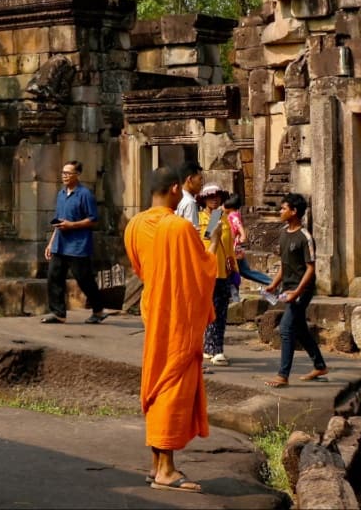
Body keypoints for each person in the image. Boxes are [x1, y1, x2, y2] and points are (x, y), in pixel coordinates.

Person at [124, 167, 217, 494]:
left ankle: (157, 464)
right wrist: (213, 246)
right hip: (177, 317)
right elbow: (202, 270)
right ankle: (165, 469)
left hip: (154, 312)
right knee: (172, 386)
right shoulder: (178, 227)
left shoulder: (134, 226)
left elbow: (143, 269)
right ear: (176, 189)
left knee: (158, 380)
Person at [263, 193, 328, 388]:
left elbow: (310, 268)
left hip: (302, 289)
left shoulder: (305, 237)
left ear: (294, 212)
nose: (280, 211)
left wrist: (297, 292)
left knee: (286, 328)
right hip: (288, 287)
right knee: (299, 329)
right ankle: (319, 365)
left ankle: (283, 375)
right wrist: (274, 284)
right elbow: (284, 265)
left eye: (284, 209)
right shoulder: (283, 233)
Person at [42, 160, 106, 325]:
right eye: (63, 172)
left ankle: (98, 310)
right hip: (60, 244)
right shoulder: (61, 194)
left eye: (68, 173)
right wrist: (50, 244)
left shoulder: (85, 194)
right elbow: (59, 221)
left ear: (77, 175)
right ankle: (58, 313)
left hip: (78, 245)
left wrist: (72, 225)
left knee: (84, 279)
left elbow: (93, 220)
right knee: (53, 277)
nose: (64, 176)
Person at [198, 184, 235, 366]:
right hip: (207, 271)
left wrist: (234, 269)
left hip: (223, 272)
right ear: (204, 199)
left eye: (217, 196)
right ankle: (215, 349)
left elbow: (229, 248)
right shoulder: (203, 218)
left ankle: (213, 347)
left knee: (220, 312)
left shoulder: (224, 218)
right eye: (210, 196)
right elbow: (209, 238)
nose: (215, 199)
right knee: (212, 312)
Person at [225, 193, 273, 286]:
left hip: (234, 250)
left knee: (239, 272)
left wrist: (242, 236)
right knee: (244, 271)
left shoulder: (232, 216)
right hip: (234, 249)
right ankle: (271, 282)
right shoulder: (235, 214)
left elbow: (240, 228)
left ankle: (271, 282)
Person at [175, 160, 203, 228]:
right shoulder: (189, 202)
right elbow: (192, 231)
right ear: (190, 179)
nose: (201, 183)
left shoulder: (176, 198)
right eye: (200, 179)